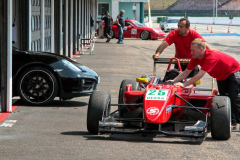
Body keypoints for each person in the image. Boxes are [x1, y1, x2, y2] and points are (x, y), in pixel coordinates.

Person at [168, 38, 240, 129]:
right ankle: (232, 122)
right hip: (221, 76)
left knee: (234, 97)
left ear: (201, 50)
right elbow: (185, 73)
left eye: (193, 50)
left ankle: (238, 120)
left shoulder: (211, 57)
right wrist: (173, 81)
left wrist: (183, 84)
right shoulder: (196, 58)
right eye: (191, 50)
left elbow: (199, 75)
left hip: (233, 72)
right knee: (224, 99)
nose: (191, 52)